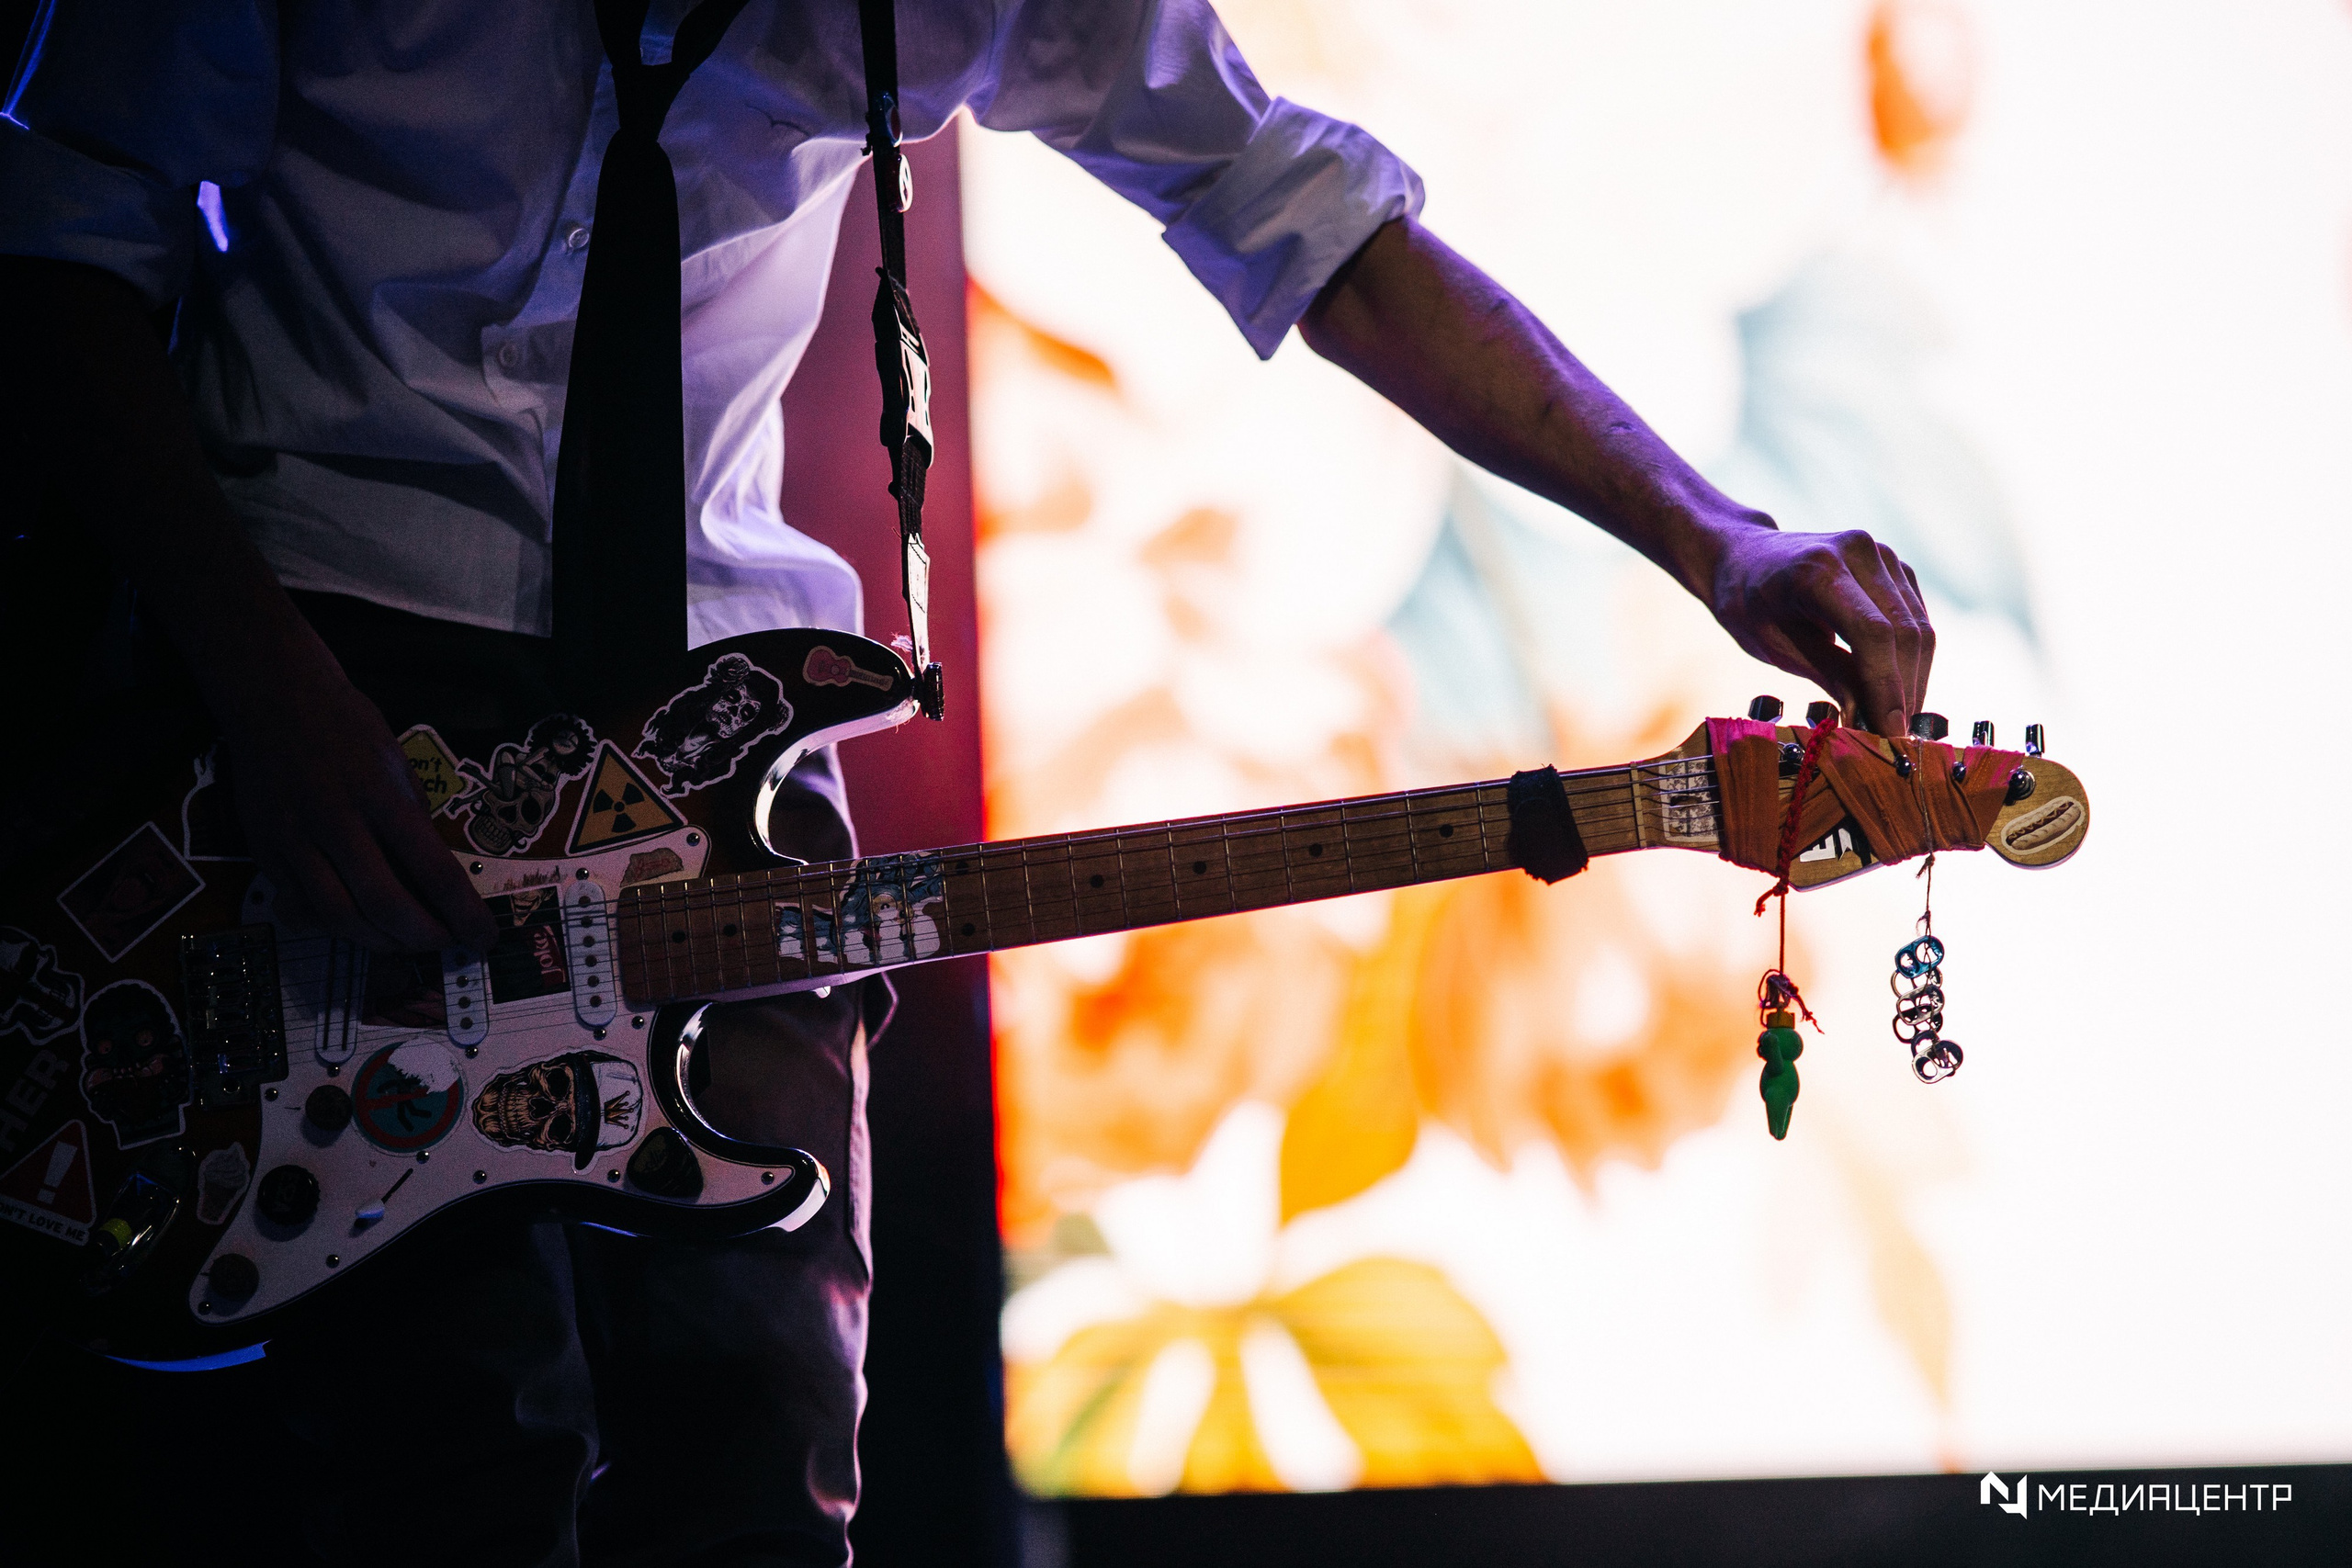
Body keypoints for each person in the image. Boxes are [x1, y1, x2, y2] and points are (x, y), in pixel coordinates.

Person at [0, 2, 1933, 1563]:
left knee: (765, 1473)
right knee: (451, 1460)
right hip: (333, 686)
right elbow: (61, 240)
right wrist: (260, 683)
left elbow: (1313, 224)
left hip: (708, 720)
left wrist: (1717, 538)